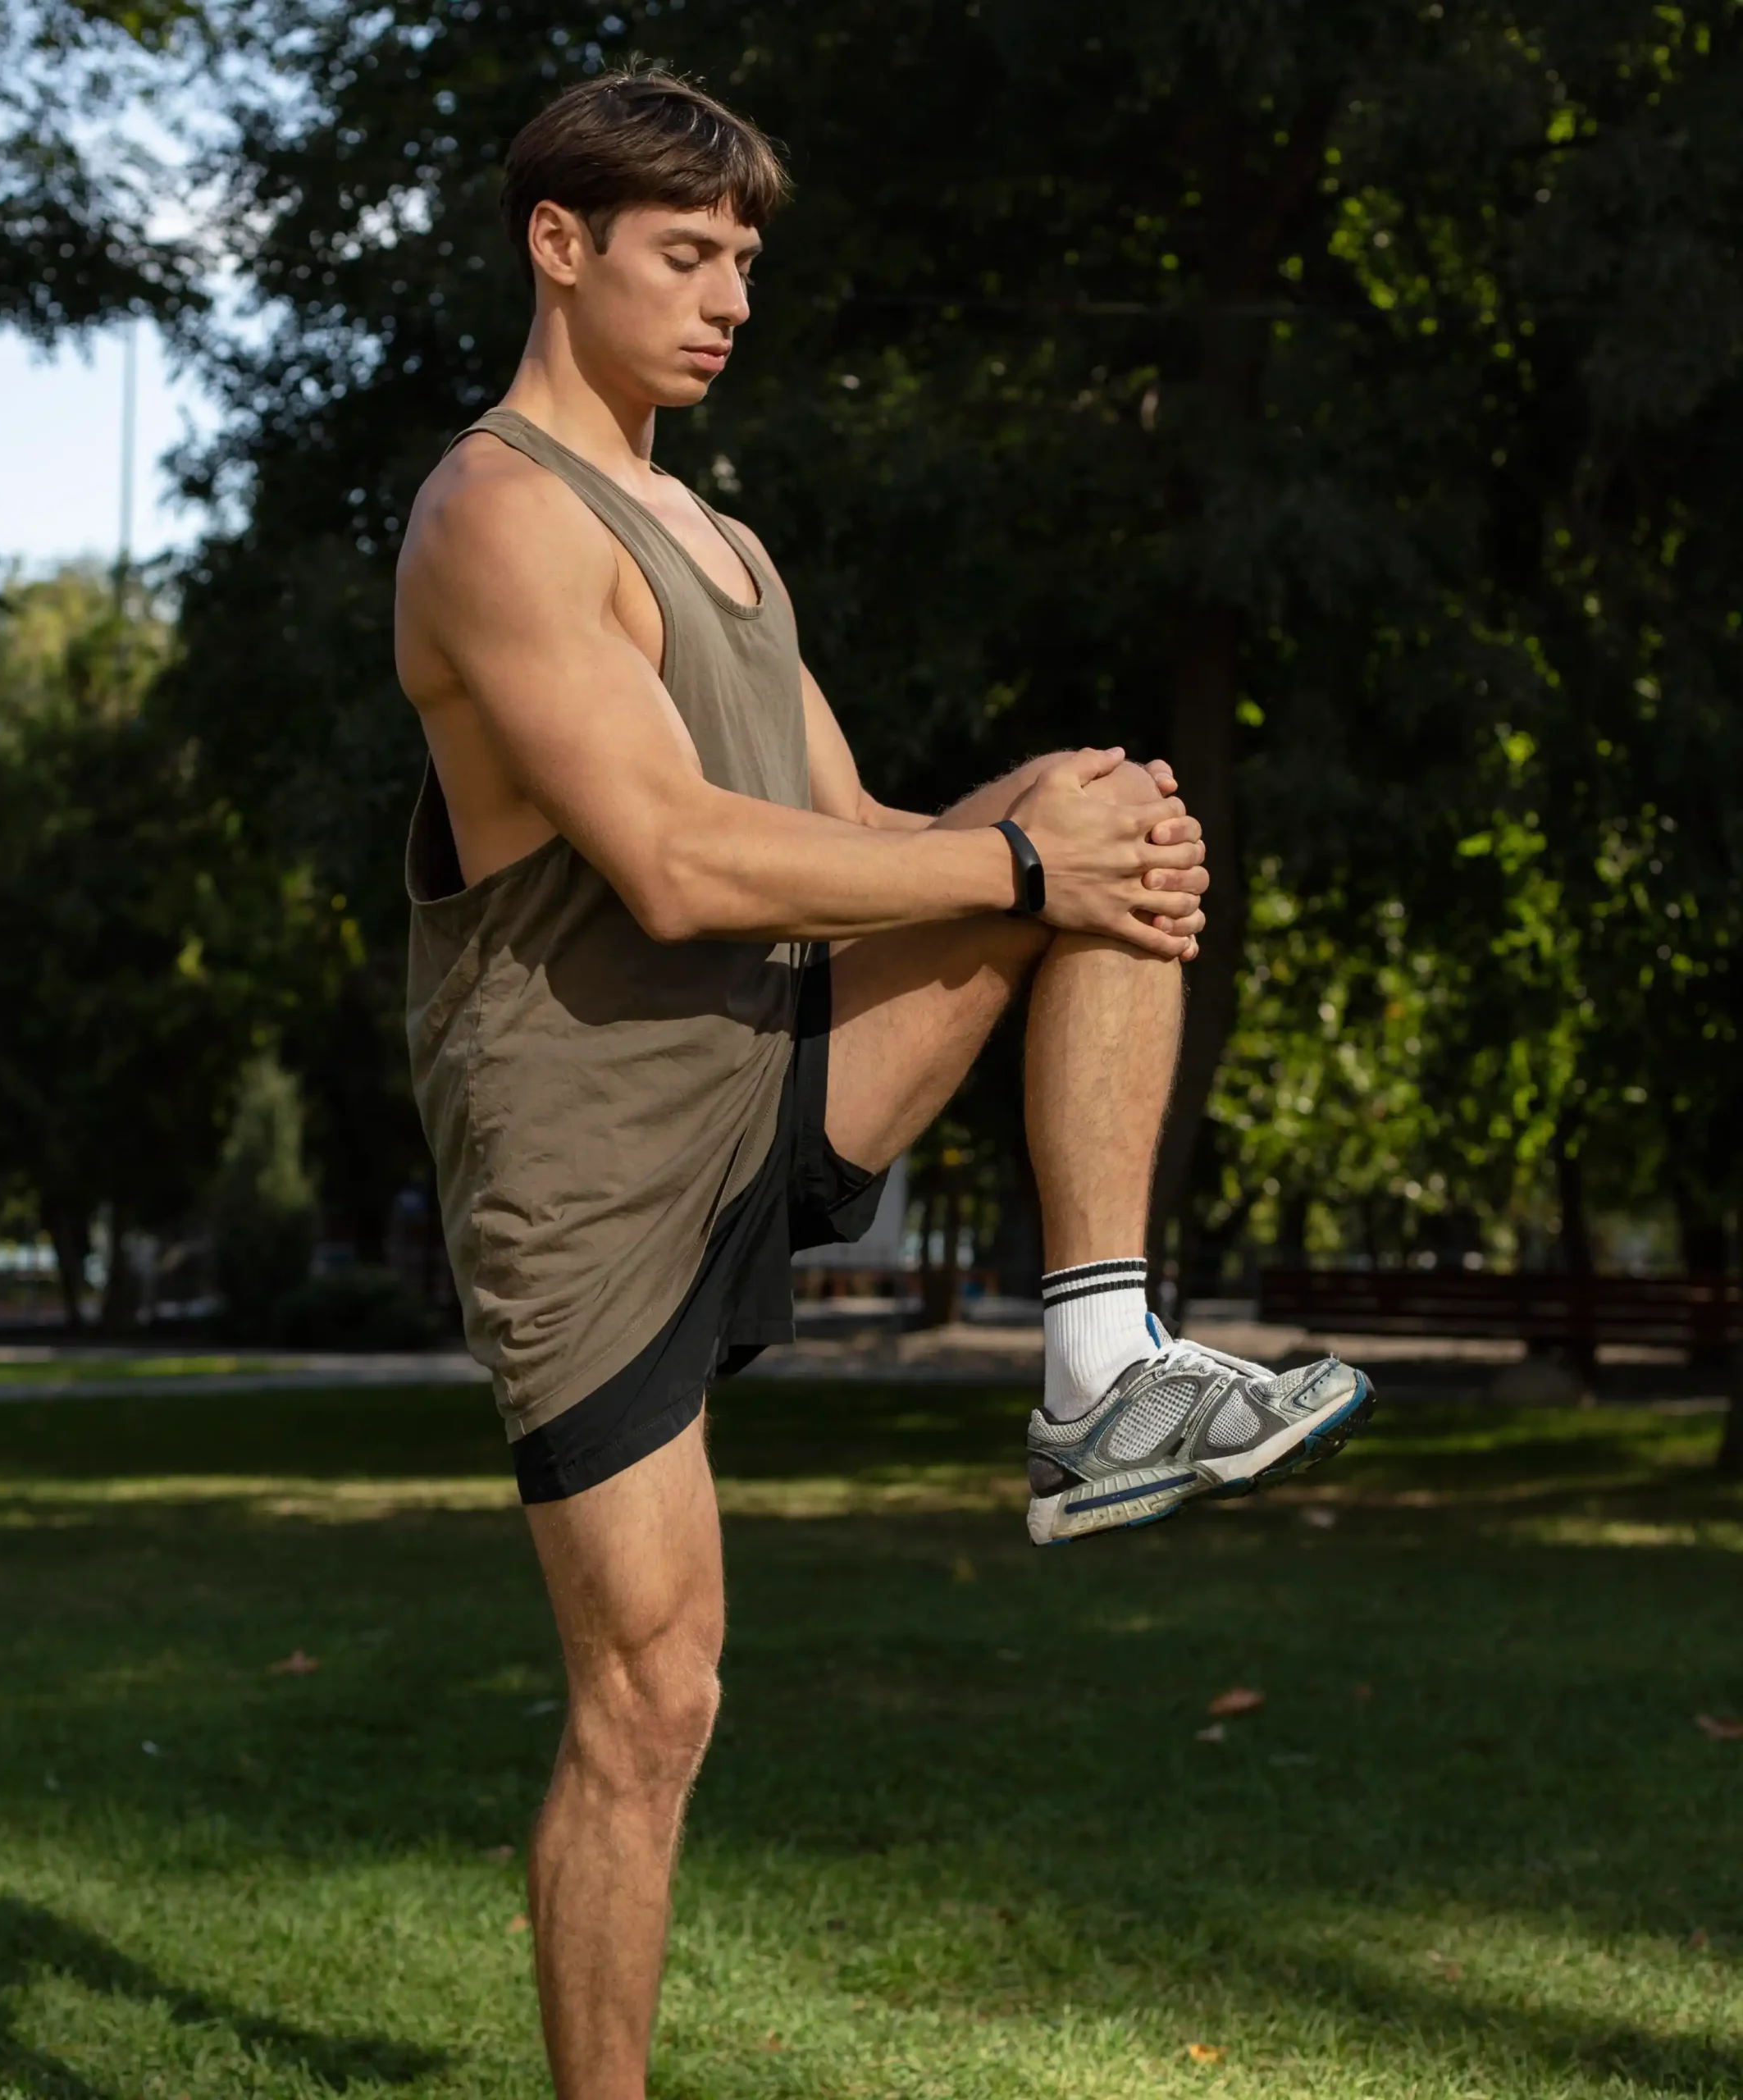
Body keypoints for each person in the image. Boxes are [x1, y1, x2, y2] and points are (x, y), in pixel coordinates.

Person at [394, 66, 1374, 2099]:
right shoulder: (495, 516)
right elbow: (671, 859)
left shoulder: (725, 541)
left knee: (1100, 801)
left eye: (747, 258)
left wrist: (1062, 872)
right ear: (555, 247)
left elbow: (855, 826)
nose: (731, 295)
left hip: (768, 1061)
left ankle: (1097, 1368)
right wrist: (1020, 873)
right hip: (580, 1162)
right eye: (687, 253)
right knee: (656, 1693)